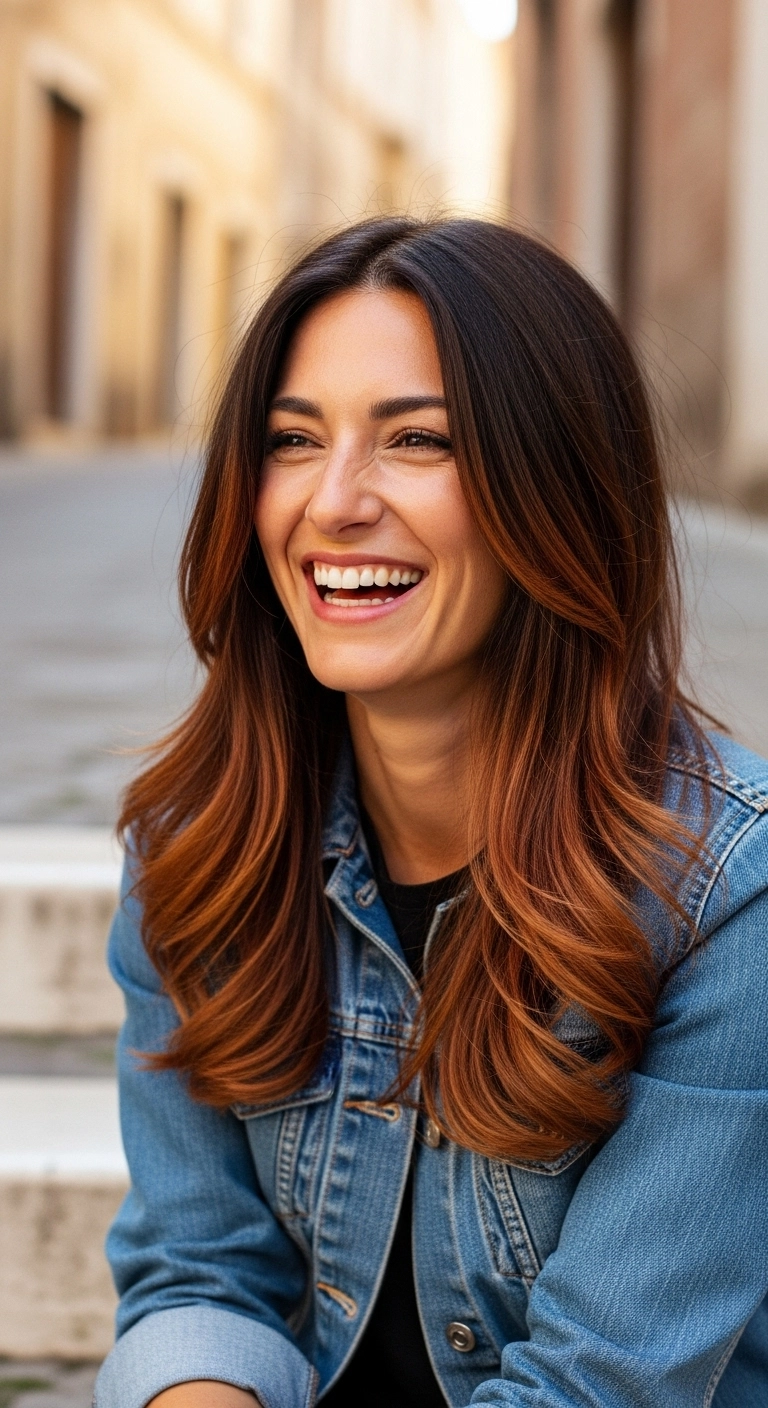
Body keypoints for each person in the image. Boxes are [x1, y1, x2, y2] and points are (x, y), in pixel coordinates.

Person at [94, 217, 768, 1408]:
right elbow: (199, 1276)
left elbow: (603, 1385)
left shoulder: (725, 891)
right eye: (292, 441)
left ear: (557, 488)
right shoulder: (199, 849)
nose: (336, 502)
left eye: (418, 440)